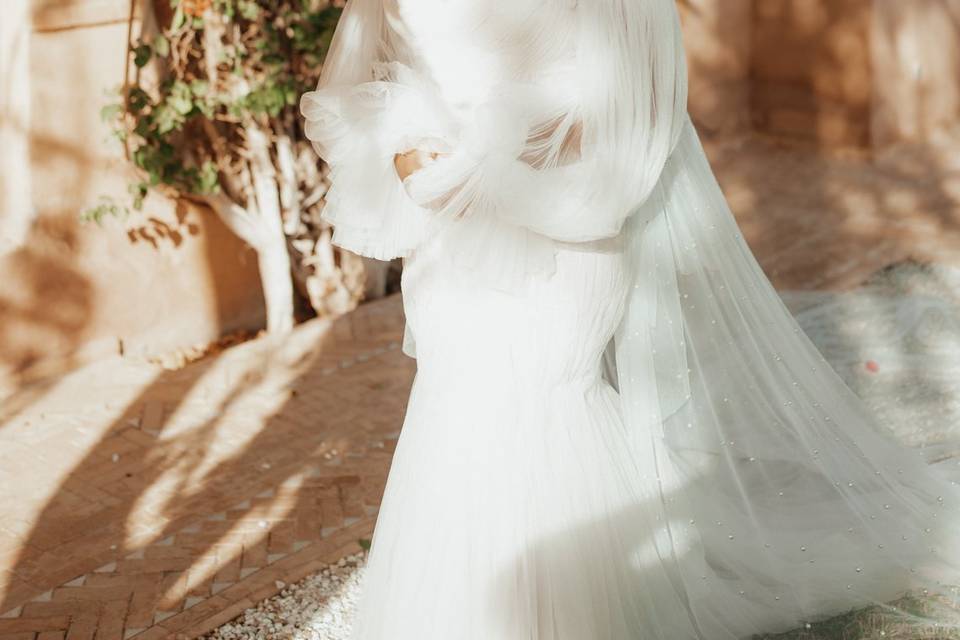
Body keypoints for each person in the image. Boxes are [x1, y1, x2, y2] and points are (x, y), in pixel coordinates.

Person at [300, 0, 960, 637]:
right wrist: (417, 158)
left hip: (563, 230)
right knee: (459, 407)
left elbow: (630, 101)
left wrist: (493, 160)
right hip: (455, 245)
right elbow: (372, 85)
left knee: (545, 401)